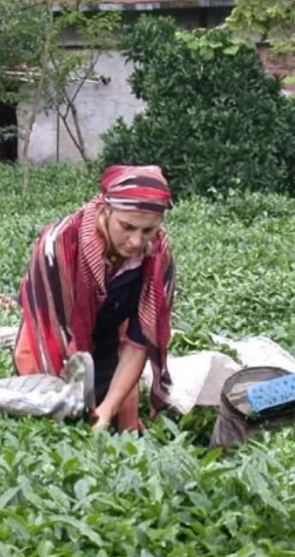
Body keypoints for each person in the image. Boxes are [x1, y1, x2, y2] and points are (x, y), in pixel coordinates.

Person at [14, 165, 176, 433]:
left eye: (148, 230)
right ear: (106, 210)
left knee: (115, 422)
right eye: (127, 227)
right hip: (49, 335)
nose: (136, 241)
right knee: (50, 419)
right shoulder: (60, 244)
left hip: (108, 335)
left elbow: (139, 342)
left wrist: (107, 408)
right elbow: (52, 327)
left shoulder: (158, 258)